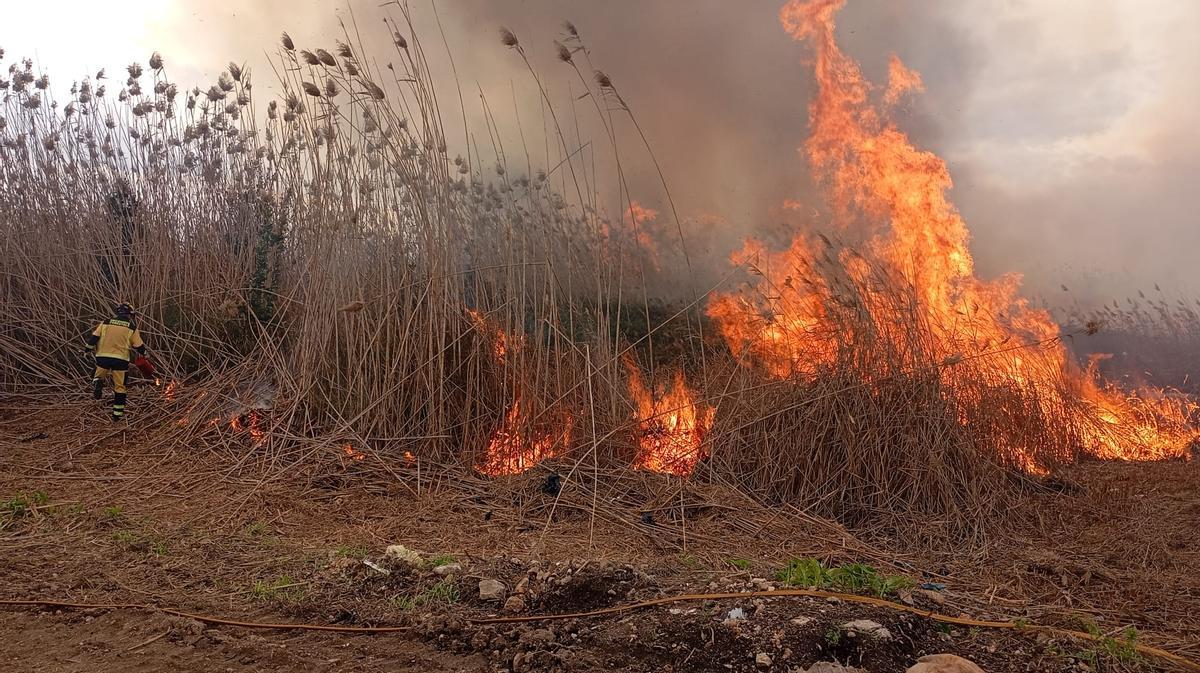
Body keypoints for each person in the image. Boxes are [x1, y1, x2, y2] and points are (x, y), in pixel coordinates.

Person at [85, 303, 147, 422]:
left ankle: (98, 381)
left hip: (103, 357)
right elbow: (139, 346)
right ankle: (117, 415)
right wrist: (144, 353)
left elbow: (93, 338)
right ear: (129, 314)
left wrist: (87, 349)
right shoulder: (131, 327)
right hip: (120, 360)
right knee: (120, 387)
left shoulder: (106, 323)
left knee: (99, 374)